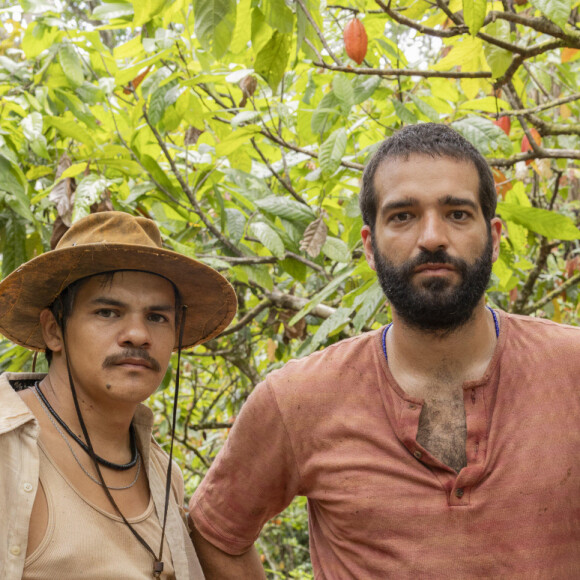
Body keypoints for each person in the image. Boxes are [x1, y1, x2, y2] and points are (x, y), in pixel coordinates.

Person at [188, 124, 580, 578]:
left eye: (456, 213)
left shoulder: (570, 368)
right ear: (370, 247)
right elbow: (216, 532)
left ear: (493, 238)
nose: (432, 237)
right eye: (402, 216)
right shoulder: (297, 399)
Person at [0, 211, 237, 579]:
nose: (138, 335)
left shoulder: (162, 474)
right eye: (108, 312)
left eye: (157, 317)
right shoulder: (8, 455)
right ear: (54, 331)